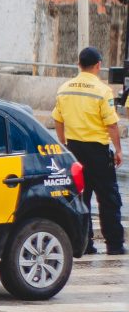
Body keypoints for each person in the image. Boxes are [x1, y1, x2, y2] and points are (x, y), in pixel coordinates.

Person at [52, 46, 125, 255]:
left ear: (78, 64)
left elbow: (58, 119)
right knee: (109, 199)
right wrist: (118, 150)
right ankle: (115, 245)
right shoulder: (102, 90)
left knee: (81, 199)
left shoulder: (64, 88)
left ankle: (85, 244)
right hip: (98, 153)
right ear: (98, 65)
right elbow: (111, 125)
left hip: (74, 151)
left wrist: (63, 143)